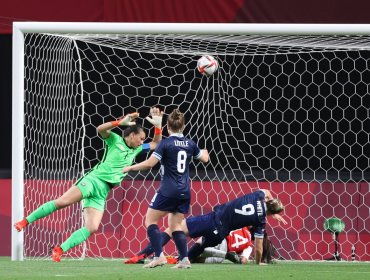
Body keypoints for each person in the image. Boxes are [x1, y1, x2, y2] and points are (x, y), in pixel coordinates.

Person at [14, 107, 163, 262]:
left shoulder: (137, 149)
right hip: (93, 180)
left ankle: (59, 250)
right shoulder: (115, 140)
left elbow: (155, 144)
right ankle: (24, 222)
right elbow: (100, 129)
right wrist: (119, 122)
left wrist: (158, 126)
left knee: (92, 227)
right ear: (132, 135)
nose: (142, 141)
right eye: (141, 138)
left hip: (103, 191)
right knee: (62, 202)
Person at [123, 109, 209, 269]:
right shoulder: (191, 144)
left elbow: (149, 164)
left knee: (150, 220)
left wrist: (129, 167)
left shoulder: (166, 143)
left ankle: (159, 256)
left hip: (168, 190)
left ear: (168, 127)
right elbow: (204, 158)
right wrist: (206, 153)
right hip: (185, 191)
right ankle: (184, 259)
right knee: (175, 226)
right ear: (183, 126)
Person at [125, 189, 286, 266]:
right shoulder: (261, 221)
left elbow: (266, 191)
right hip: (221, 232)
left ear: (268, 202)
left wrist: (270, 201)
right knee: (201, 243)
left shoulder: (258, 196)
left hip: (213, 219)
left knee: (173, 229)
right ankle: (183, 259)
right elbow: (258, 247)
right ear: (272, 212)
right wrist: (258, 263)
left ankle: (143, 254)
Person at [125, 226, 253, 265]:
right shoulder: (249, 244)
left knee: (198, 245)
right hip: (221, 254)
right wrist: (239, 258)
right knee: (197, 257)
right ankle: (179, 259)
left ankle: (144, 255)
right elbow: (244, 260)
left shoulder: (238, 224)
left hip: (221, 240)